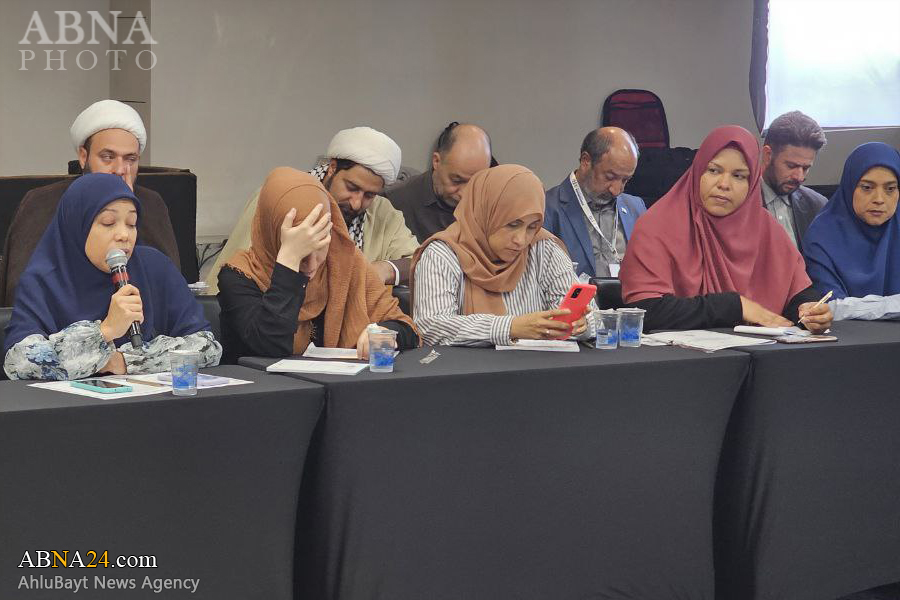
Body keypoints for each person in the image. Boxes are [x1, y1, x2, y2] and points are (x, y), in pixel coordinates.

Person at [3, 174, 220, 380]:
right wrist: (104, 331)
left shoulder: (156, 267)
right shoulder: (42, 281)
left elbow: (206, 347)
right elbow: (18, 362)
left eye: (132, 223)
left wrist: (125, 361)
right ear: (77, 225)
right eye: (108, 222)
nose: (124, 235)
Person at [619, 125, 832, 332]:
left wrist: (810, 312)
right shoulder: (657, 225)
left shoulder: (767, 229)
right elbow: (644, 310)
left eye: (739, 176)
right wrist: (733, 306)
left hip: (760, 353)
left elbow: (798, 293)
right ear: (697, 171)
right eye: (714, 170)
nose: (724, 184)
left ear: (752, 183)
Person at [216, 167, 418, 364]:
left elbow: (406, 328)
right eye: (302, 251)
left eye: (321, 245)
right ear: (274, 234)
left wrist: (385, 332)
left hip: (342, 384)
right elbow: (270, 346)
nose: (312, 265)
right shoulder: (239, 275)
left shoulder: (346, 261)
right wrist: (288, 264)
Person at [0, 99, 179, 306]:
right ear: (83, 156)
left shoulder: (151, 203)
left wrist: (127, 208)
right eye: (108, 157)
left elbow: (170, 285)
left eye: (130, 159)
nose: (120, 169)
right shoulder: (42, 202)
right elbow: (20, 290)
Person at [206, 127, 418, 293]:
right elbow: (240, 271)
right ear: (332, 168)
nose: (356, 203)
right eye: (351, 188)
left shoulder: (382, 211)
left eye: (369, 195)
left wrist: (384, 270)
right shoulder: (281, 196)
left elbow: (419, 261)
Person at [411, 164, 597, 347]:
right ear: (486, 213)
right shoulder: (442, 254)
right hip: (468, 367)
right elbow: (431, 326)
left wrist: (581, 324)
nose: (521, 240)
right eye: (512, 224)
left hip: (536, 364)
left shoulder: (543, 247)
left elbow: (593, 316)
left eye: (532, 227)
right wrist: (511, 327)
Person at [803, 143, 900, 321]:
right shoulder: (822, 236)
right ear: (850, 186)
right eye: (867, 187)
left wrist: (852, 307)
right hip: (847, 336)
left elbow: (842, 308)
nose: (879, 199)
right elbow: (830, 307)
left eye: (890, 189)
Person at [543, 126, 646, 278]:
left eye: (626, 180)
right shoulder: (548, 208)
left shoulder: (636, 207)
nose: (616, 190)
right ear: (586, 161)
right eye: (610, 177)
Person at [387, 122, 493, 242]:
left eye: (475, 183)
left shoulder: (492, 206)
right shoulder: (394, 202)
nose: (465, 194)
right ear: (436, 161)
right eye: (456, 180)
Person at [759, 110, 828, 249]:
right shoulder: (739, 202)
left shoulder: (818, 206)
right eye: (791, 166)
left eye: (806, 168)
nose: (799, 177)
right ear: (767, 155)